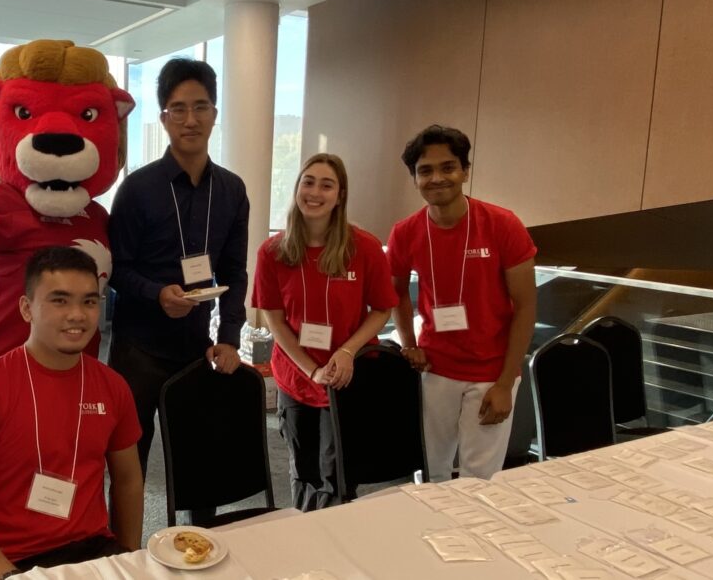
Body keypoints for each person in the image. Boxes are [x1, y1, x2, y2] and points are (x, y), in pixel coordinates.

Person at [0, 246, 143, 580]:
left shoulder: (112, 386)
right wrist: (10, 577)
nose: (77, 314)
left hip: (88, 548)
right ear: (26, 308)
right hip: (2, 560)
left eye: (89, 301)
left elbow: (128, 480)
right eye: (59, 300)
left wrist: (130, 559)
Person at [107, 58, 249, 485]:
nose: (191, 120)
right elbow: (117, 269)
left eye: (201, 107)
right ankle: (126, 547)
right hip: (139, 351)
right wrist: (156, 294)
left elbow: (234, 271)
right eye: (179, 109)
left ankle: (201, 545)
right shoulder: (138, 187)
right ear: (164, 118)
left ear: (215, 114)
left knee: (198, 459)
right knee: (129, 462)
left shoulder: (231, 190)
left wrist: (228, 339)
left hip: (196, 350)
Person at [387, 124, 537, 483]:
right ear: (415, 178)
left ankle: (473, 540)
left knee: (479, 479)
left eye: (448, 167)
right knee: (432, 472)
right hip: (435, 370)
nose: (437, 178)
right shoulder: (406, 232)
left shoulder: (503, 225)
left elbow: (526, 305)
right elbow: (394, 294)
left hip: (491, 373)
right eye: (425, 171)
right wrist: (409, 344)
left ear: (465, 171)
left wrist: (505, 383)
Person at [253, 153, 397, 511]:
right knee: (303, 469)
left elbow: (382, 309)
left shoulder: (363, 247)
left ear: (340, 195)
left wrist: (347, 351)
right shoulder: (273, 251)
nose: (315, 192)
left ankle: (338, 541)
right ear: (297, 187)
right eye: (308, 182)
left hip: (346, 376)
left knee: (340, 470)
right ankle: (303, 535)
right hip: (296, 376)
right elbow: (272, 316)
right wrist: (309, 369)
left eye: (326, 184)